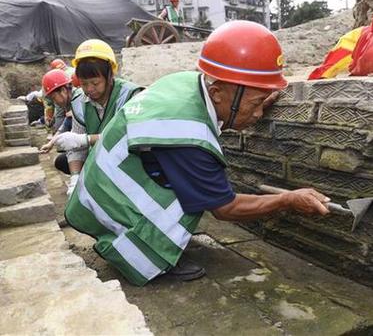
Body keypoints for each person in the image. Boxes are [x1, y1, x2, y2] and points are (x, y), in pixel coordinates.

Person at [64, 21, 330, 287]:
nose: (259, 113)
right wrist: (288, 200)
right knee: (197, 197)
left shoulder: (187, 83)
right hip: (105, 204)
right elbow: (226, 207)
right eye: (255, 104)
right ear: (217, 93)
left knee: (193, 185)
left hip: (97, 188)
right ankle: (145, 254)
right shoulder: (188, 136)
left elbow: (209, 117)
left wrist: (253, 99)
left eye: (262, 102)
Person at [52, 39, 143, 196]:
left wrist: (86, 140)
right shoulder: (80, 102)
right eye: (84, 83)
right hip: (101, 159)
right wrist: (75, 178)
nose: (89, 89)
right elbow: (76, 147)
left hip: (129, 160)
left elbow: (133, 138)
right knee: (63, 161)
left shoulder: (130, 95)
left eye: (95, 83)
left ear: (109, 75)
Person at [39, 69, 74, 175]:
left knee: (63, 161)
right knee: (60, 161)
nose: (55, 102)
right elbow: (66, 124)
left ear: (63, 90)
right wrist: (51, 143)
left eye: (54, 98)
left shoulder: (78, 102)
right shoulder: (69, 104)